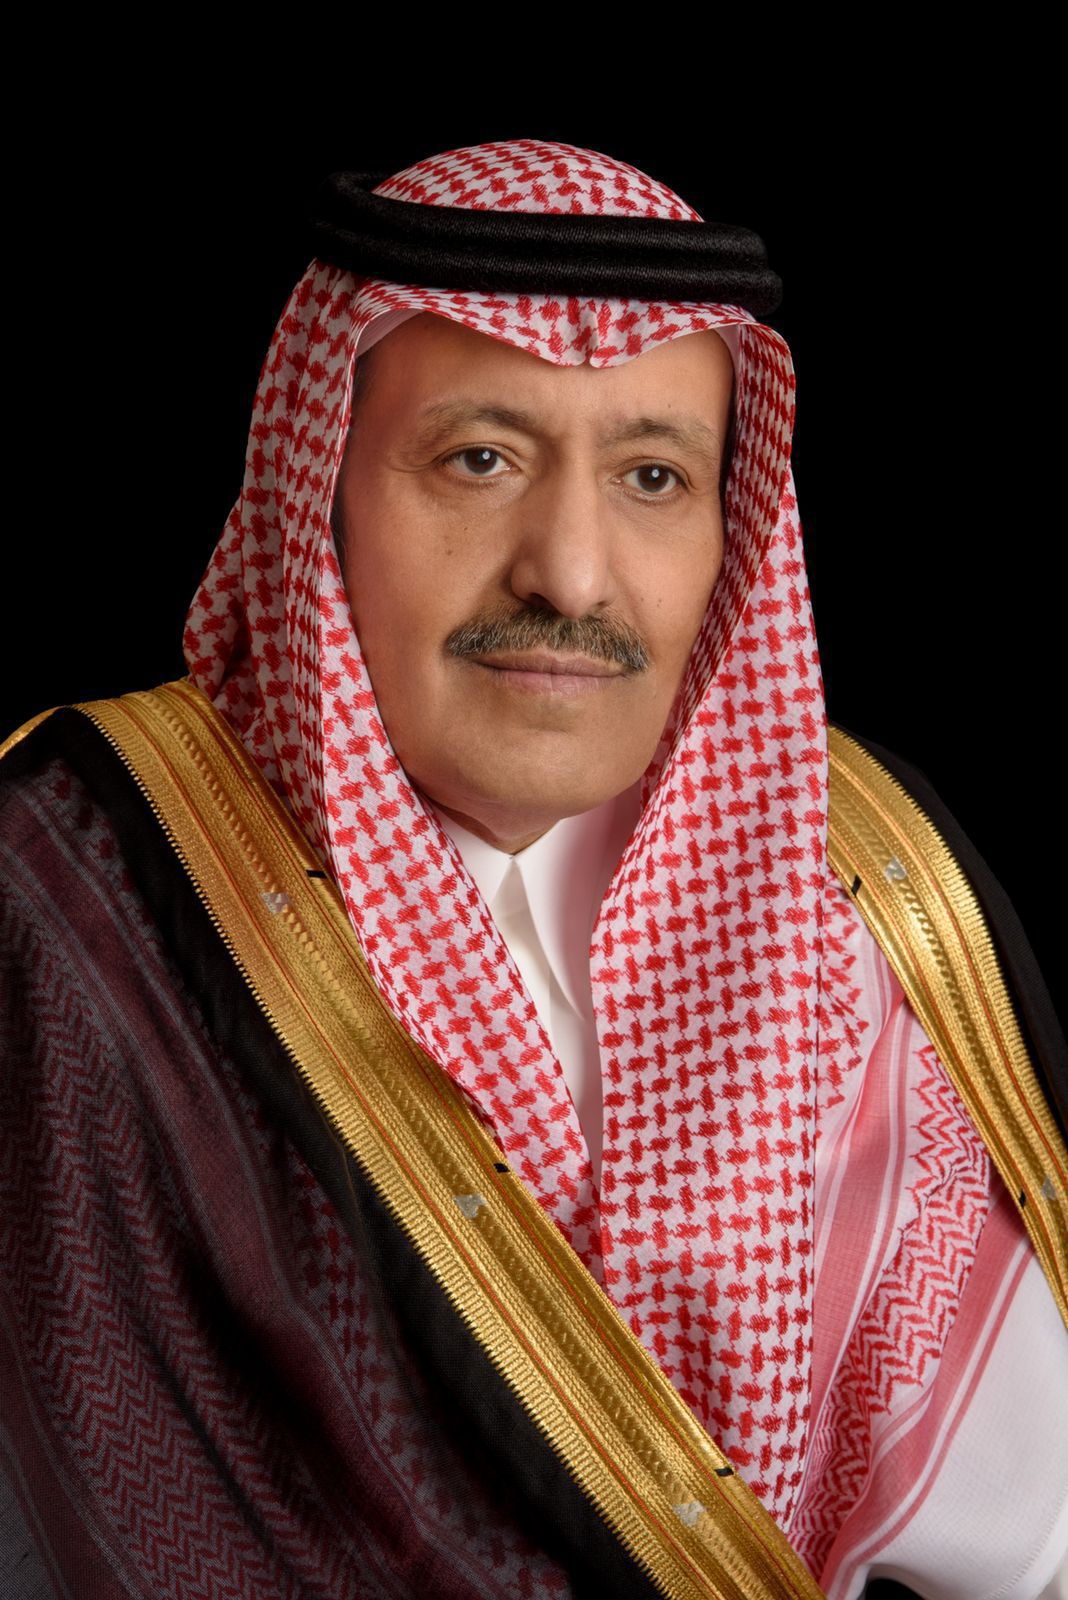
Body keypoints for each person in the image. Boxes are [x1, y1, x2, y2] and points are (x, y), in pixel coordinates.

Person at [1, 138, 1065, 1600]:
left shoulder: (862, 881)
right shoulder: (75, 899)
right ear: (319, 493)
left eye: (653, 476)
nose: (568, 572)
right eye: (480, 460)